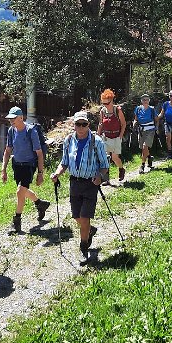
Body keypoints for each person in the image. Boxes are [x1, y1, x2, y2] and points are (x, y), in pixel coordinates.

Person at [50, 110, 109, 266]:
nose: (81, 127)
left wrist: (100, 178)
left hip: (90, 184)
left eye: (84, 124)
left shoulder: (97, 141)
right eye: (78, 124)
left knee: (83, 218)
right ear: (74, 125)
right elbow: (64, 163)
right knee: (76, 217)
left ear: (88, 125)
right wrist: (57, 173)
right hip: (74, 183)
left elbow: (104, 166)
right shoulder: (69, 140)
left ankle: (84, 248)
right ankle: (89, 229)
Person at [0, 106, 49, 234]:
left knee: (19, 191)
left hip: (29, 165)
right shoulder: (11, 130)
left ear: (21, 117)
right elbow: (8, 150)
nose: (11, 121)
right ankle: (40, 204)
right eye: (10, 119)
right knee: (23, 191)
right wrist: (3, 169)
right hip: (17, 164)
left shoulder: (30, 131)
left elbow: (39, 153)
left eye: (13, 118)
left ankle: (17, 222)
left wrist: (40, 173)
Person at [96, 89, 127, 184]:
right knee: (105, 157)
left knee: (114, 157)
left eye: (107, 103)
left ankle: (121, 169)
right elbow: (101, 124)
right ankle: (106, 179)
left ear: (112, 101)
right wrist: (98, 135)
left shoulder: (117, 110)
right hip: (106, 136)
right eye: (103, 103)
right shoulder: (102, 111)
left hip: (116, 136)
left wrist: (120, 136)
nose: (105, 105)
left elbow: (123, 124)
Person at [132, 93, 157, 173]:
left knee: (144, 146)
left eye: (147, 99)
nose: (145, 101)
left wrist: (157, 128)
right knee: (143, 148)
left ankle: (142, 165)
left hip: (150, 130)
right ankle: (149, 157)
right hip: (141, 130)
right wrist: (134, 123)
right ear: (141, 101)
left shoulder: (152, 109)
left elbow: (156, 119)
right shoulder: (138, 109)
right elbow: (136, 119)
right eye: (144, 100)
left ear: (149, 101)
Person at [157, 89, 172, 157]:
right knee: (168, 138)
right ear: (169, 96)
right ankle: (169, 153)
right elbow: (161, 113)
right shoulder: (165, 104)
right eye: (171, 96)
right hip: (167, 123)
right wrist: (156, 118)